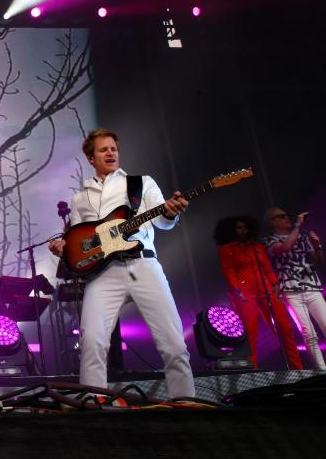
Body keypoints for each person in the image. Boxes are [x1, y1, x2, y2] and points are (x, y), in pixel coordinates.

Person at [48, 128, 195, 398]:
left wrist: (171, 213)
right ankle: (93, 404)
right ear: (91, 158)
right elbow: (82, 240)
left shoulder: (141, 183)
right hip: (103, 275)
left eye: (113, 148)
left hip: (143, 265)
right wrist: (65, 249)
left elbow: (162, 221)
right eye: (103, 149)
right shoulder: (80, 197)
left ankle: (185, 402)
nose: (110, 153)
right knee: (91, 342)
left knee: (173, 343)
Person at [214, 216, 302, 369]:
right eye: (238, 227)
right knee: (250, 333)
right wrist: (237, 289)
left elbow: (267, 268)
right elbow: (229, 271)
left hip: (267, 290)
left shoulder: (257, 247)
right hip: (245, 295)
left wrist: (275, 283)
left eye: (244, 227)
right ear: (231, 231)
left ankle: (297, 368)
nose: (243, 230)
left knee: (285, 328)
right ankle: (253, 371)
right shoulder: (226, 250)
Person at [264, 208, 326, 369]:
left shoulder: (303, 236)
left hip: (312, 288)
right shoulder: (269, 239)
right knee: (309, 334)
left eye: (287, 215)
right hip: (292, 292)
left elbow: (319, 261)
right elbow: (283, 248)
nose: (287, 218)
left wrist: (317, 245)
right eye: (281, 216)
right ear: (273, 222)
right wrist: (298, 226)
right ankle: (322, 371)